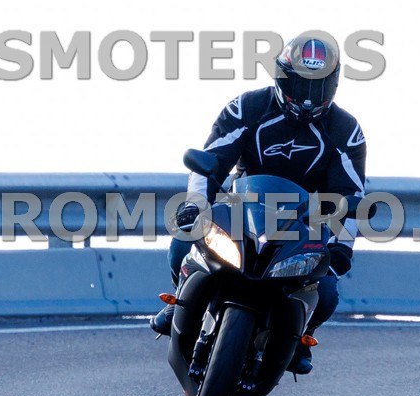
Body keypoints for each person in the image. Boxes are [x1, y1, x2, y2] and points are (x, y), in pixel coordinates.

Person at [150, 32, 367, 375]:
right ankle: (180, 300)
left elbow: (351, 194)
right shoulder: (248, 107)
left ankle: (299, 336)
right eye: (301, 84)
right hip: (239, 208)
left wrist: (342, 247)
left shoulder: (346, 129)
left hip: (302, 225)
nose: (308, 98)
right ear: (282, 77)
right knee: (182, 243)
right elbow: (210, 161)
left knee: (326, 291)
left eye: (318, 87)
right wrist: (195, 206)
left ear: (334, 84)